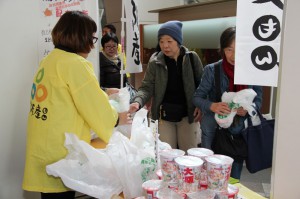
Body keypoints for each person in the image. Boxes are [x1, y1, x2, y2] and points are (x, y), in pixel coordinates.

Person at [22, 11, 131, 199]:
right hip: (61, 150)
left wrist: (104, 93)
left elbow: (65, 97)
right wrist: (117, 118)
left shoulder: (50, 60)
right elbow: (95, 109)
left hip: (44, 146)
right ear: (82, 38)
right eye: (92, 38)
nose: (92, 44)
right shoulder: (76, 64)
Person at [193, 26, 263, 180]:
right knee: (210, 175)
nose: (233, 55)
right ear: (222, 49)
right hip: (213, 132)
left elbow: (258, 99)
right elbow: (197, 97)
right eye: (229, 50)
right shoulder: (212, 70)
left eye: (238, 50)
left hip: (237, 133)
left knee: (233, 178)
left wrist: (248, 109)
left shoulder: (252, 71)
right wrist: (213, 106)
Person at [129, 20, 203, 152]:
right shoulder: (155, 61)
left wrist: (200, 105)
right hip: (164, 117)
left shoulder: (192, 58)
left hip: (188, 116)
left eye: (169, 41)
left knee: (189, 155)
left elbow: (202, 86)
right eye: (161, 41)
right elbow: (146, 87)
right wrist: (137, 102)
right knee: (166, 156)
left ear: (178, 41)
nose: (165, 46)